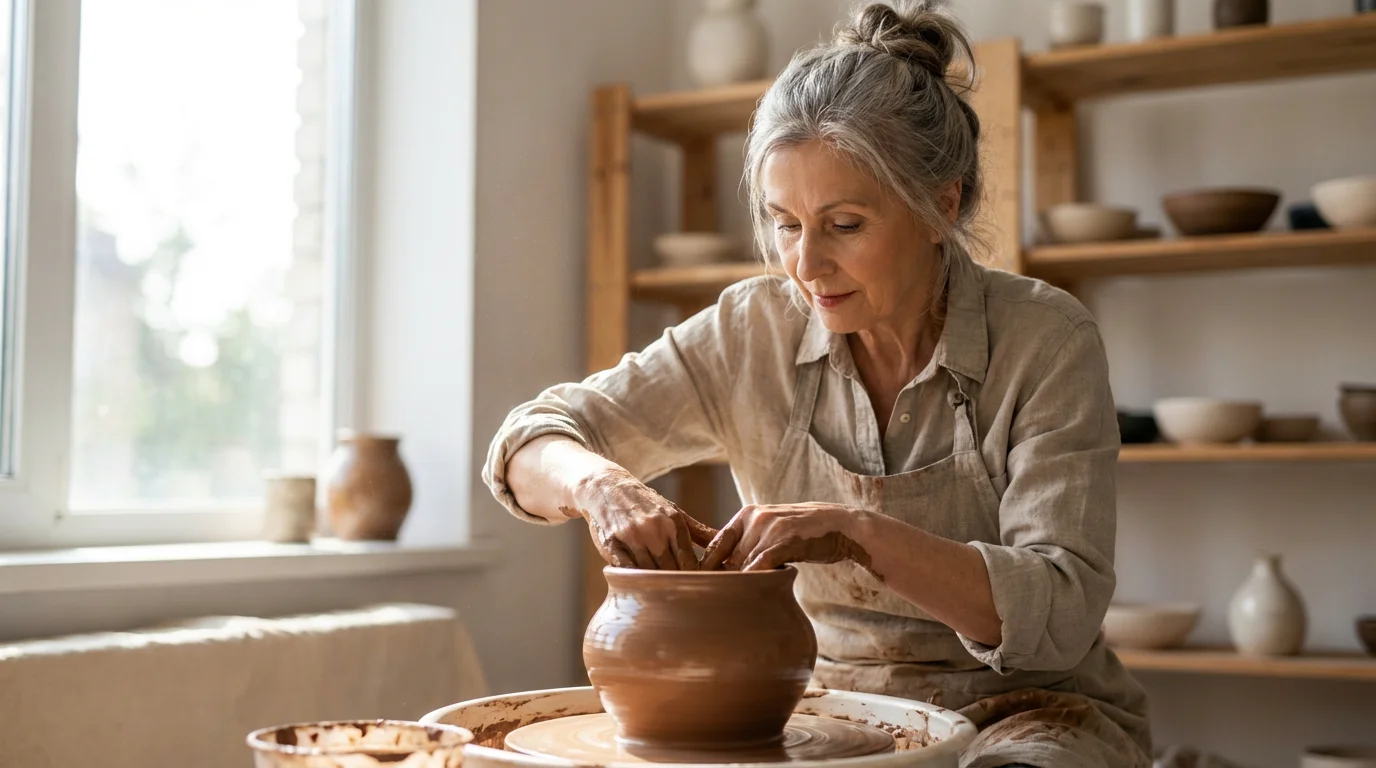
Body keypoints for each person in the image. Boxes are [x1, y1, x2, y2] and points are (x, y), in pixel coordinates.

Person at [482, 1, 1151, 765]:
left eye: (844, 225)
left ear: (942, 204)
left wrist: (859, 532)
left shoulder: (1046, 340)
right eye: (784, 223)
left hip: (1032, 708)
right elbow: (526, 442)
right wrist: (599, 484)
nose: (805, 264)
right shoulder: (751, 331)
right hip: (819, 702)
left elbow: (1062, 607)